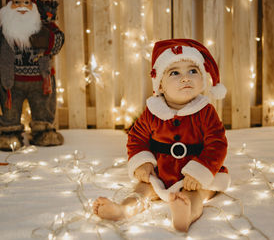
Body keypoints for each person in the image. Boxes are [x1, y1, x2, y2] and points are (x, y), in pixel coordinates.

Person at [93, 39, 230, 232]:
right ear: (161, 85)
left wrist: (201, 170)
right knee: (143, 189)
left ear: (202, 80)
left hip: (195, 176)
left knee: (197, 193)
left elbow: (217, 144)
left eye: (193, 71)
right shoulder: (153, 111)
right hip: (162, 173)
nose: (185, 78)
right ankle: (123, 209)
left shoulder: (206, 111)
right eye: (175, 72)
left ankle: (186, 214)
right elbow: (137, 138)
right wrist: (142, 162)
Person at [0, 0, 64, 151]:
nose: (22, 6)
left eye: (26, 3)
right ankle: (9, 133)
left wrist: (49, 33)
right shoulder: (4, 30)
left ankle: (43, 131)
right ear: (8, 8)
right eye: (16, 2)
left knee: (43, 108)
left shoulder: (43, 27)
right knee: (10, 111)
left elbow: (57, 43)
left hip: (41, 81)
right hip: (11, 82)